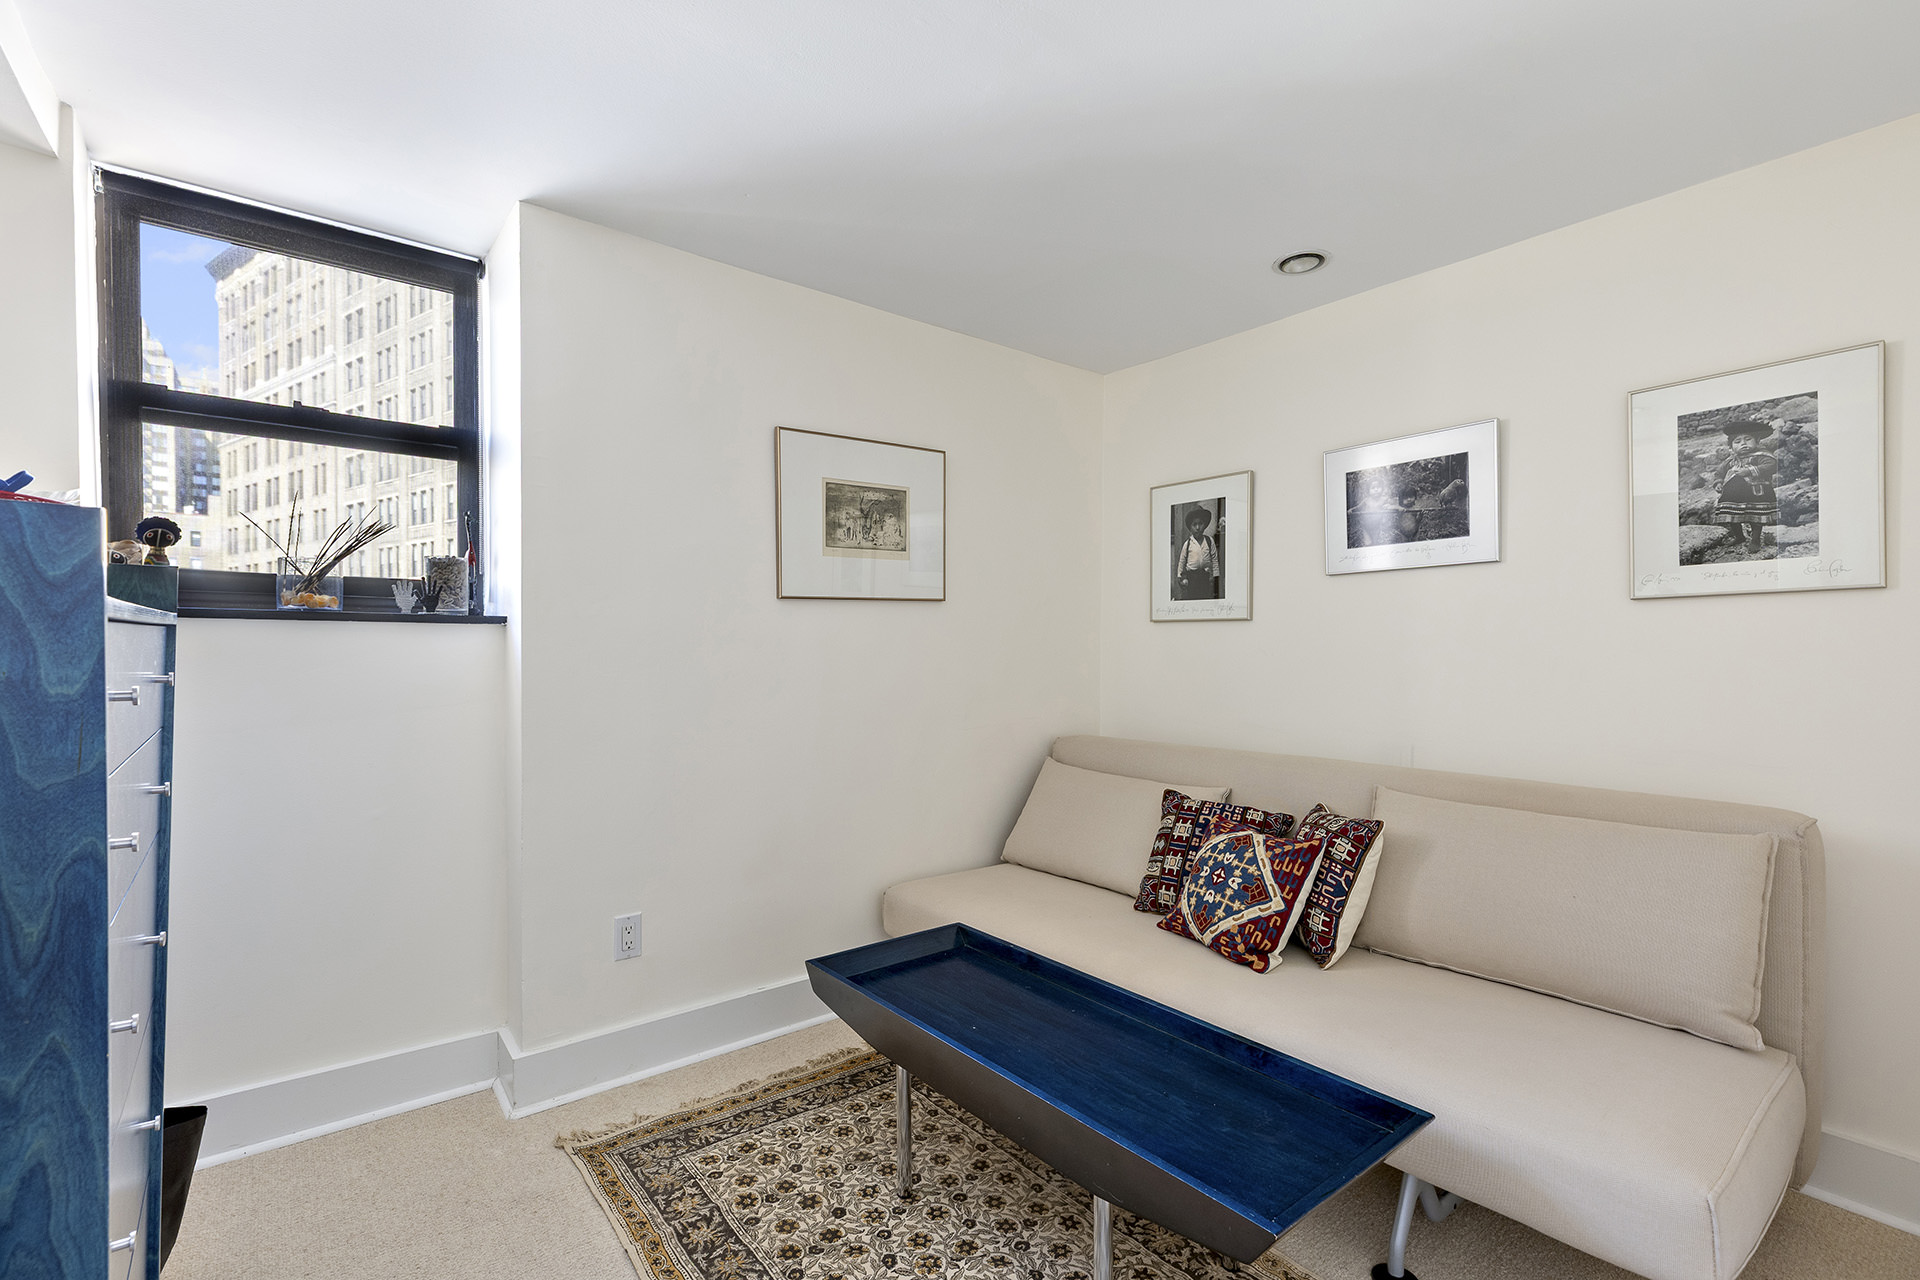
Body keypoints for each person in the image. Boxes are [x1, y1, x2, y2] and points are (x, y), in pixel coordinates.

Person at [1713, 420, 1779, 556]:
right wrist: (1719, 482)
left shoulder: (1762, 456)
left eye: (1748, 439)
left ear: (1757, 440)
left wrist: (1749, 471)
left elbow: (1771, 466)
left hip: (1757, 493)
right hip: (1732, 495)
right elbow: (1719, 472)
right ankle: (1739, 536)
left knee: (1756, 516)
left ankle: (1755, 539)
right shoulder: (1731, 460)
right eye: (1737, 441)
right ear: (1731, 446)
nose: (1743, 443)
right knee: (1731, 514)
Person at [1173, 506, 1220, 599]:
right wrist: (1179, 576)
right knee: (1192, 598)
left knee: (1205, 597)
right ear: (1190, 527)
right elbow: (1182, 561)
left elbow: (1214, 560)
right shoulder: (1188, 544)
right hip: (1191, 578)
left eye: (1200, 523)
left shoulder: (1209, 541)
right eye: (1194, 524)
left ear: (1205, 525)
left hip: (1205, 577)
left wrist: (1215, 576)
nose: (1198, 527)